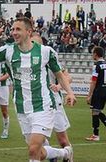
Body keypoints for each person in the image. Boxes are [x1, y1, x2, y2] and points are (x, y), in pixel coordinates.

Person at [0, 17, 76, 162]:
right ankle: (64, 153)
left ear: (29, 31)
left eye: (18, 29)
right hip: (22, 107)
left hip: (43, 106)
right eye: (12, 29)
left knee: (33, 149)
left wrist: (70, 93)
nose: (14, 32)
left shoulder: (46, 52)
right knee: (38, 152)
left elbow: (60, 74)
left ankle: (64, 152)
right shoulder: (7, 51)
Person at [31, 33, 73, 162]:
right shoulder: (26, 60)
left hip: (54, 102)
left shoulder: (49, 57)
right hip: (36, 103)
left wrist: (59, 86)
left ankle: (68, 156)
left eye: (35, 44)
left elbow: (67, 77)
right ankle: (53, 156)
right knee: (38, 141)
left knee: (62, 140)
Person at [86, 46, 106, 141]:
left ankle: (95, 135)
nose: (92, 54)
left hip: (98, 92)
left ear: (96, 54)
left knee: (95, 112)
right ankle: (95, 134)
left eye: (93, 53)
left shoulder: (96, 65)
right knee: (98, 111)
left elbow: (94, 81)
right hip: (105, 90)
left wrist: (90, 95)